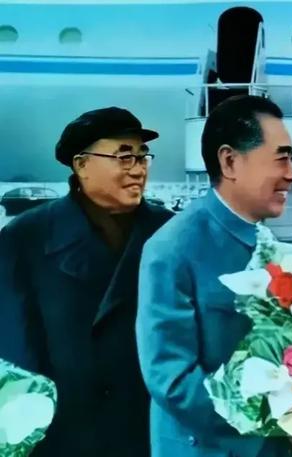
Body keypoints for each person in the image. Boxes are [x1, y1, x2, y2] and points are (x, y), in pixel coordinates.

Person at [136, 95, 292, 457]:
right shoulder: (172, 249)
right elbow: (171, 380)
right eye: (281, 158)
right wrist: (275, 416)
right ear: (230, 161)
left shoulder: (272, 247)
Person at [0, 107, 173, 456]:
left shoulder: (169, 231)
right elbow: (15, 352)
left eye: (143, 156)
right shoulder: (25, 237)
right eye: (124, 157)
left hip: (151, 428)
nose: (138, 169)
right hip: (66, 433)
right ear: (81, 165)